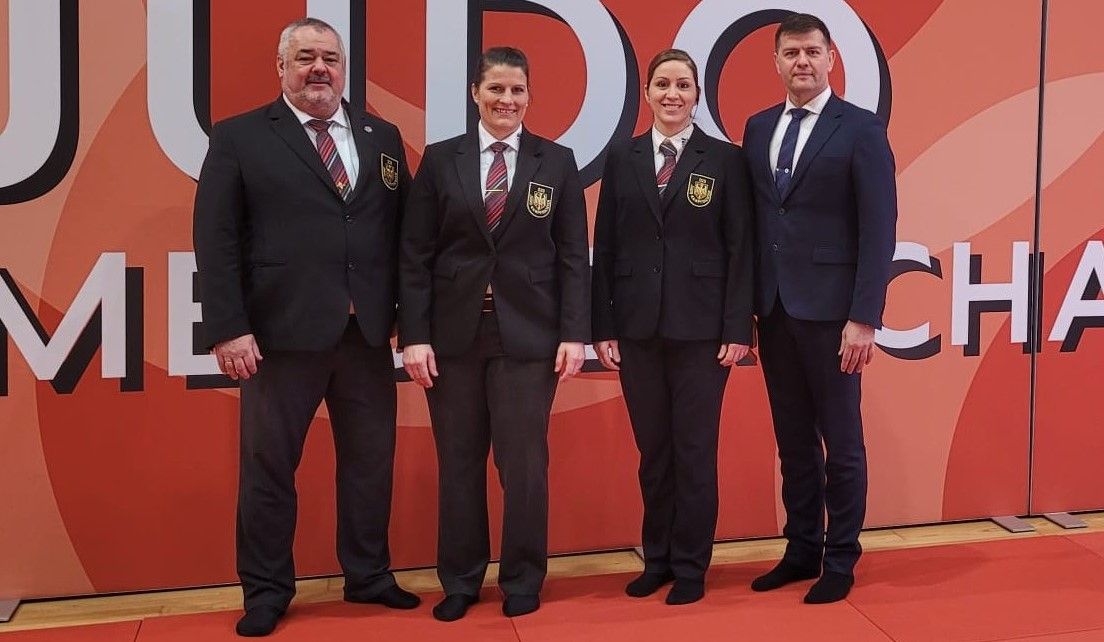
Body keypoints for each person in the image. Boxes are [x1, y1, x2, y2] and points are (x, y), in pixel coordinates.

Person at [192, 17, 419, 637]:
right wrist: (228, 327)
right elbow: (215, 240)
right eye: (306, 57)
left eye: (330, 58)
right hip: (278, 334)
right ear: (281, 67)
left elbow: (405, 237)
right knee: (269, 467)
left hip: (366, 332)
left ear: (344, 68)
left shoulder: (381, 135)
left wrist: (411, 319)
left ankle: (368, 575)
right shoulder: (240, 137)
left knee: (371, 463)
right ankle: (266, 590)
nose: (320, 68)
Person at [399, 46, 589, 621]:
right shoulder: (440, 161)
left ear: (530, 97)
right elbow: (415, 254)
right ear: (476, 94)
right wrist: (414, 334)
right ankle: (459, 580)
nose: (507, 101)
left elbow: (574, 259)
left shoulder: (555, 162)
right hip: (453, 337)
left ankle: (523, 577)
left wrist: (573, 333)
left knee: (523, 464)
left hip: (528, 338)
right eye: (497, 90)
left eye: (518, 91)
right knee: (458, 461)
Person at [741, 13, 897, 604]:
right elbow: (756, 222)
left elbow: (879, 228)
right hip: (775, 310)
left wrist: (865, 317)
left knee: (842, 440)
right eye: (790, 53)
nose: (801, 62)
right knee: (792, 441)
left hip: (835, 316)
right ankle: (801, 547)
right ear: (776, 61)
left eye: (811, 51)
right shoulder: (757, 129)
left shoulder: (859, 129)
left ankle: (841, 557)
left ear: (831, 58)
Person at [591, 48, 754, 606]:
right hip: (636, 330)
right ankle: (655, 558)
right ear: (647, 92)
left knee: (693, 452)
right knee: (654, 453)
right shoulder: (624, 158)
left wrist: (738, 326)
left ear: (697, 95)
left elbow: (740, 249)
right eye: (662, 84)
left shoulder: (724, 159)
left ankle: (690, 566)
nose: (672, 94)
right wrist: (603, 325)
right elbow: (606, 246)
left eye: (683, 85)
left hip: (703, 332)